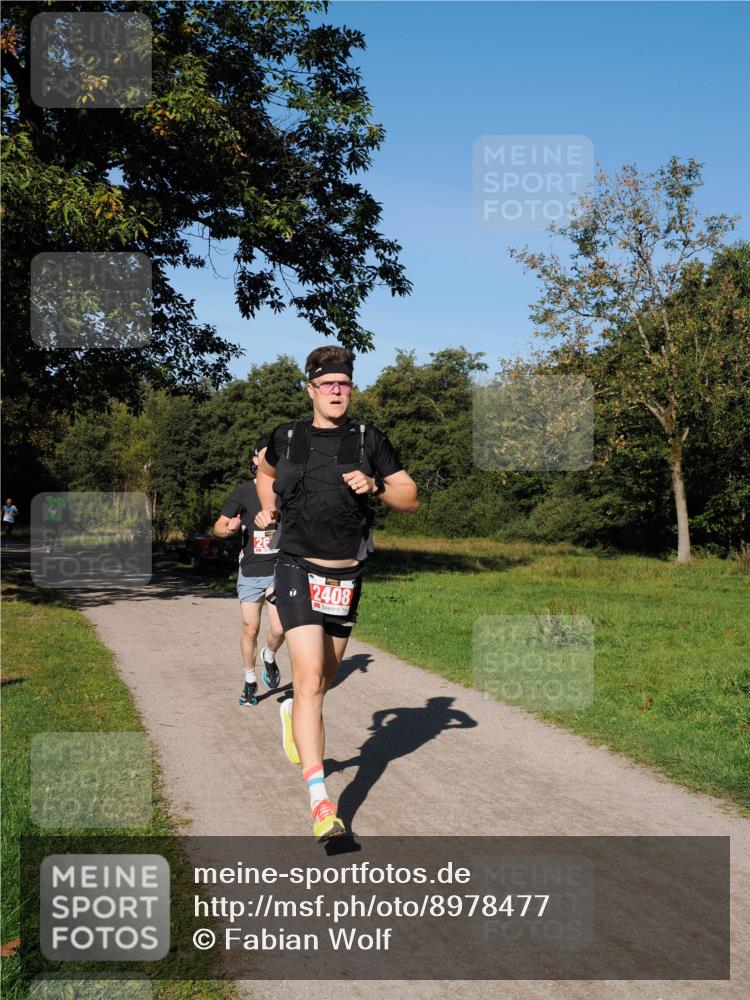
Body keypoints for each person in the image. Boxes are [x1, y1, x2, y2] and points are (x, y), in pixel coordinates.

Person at [255, 346, 419, 841]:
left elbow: (409, 498)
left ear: (352, 388)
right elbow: (263, 472)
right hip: (296, 566)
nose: (336, 392)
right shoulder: (285, 437)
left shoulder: (370, 439)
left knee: (322, 680)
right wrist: (269, 512)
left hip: (346, 577)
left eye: (344, 384)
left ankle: (291, 714)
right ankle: (321, 804)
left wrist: (376, 486)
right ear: (311, 389)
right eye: (327, 384)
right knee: (307, 680)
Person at [213, 439, 286, 707]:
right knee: (251, 628)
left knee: (279, 628)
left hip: (280, 569)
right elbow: (217, 527)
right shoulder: (243, 492)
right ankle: (249, 680)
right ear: (255, 460)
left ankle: (269, 655)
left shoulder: (285, 491)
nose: (269, 460)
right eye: (264, 456)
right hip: (252, 571)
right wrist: (228, 528)